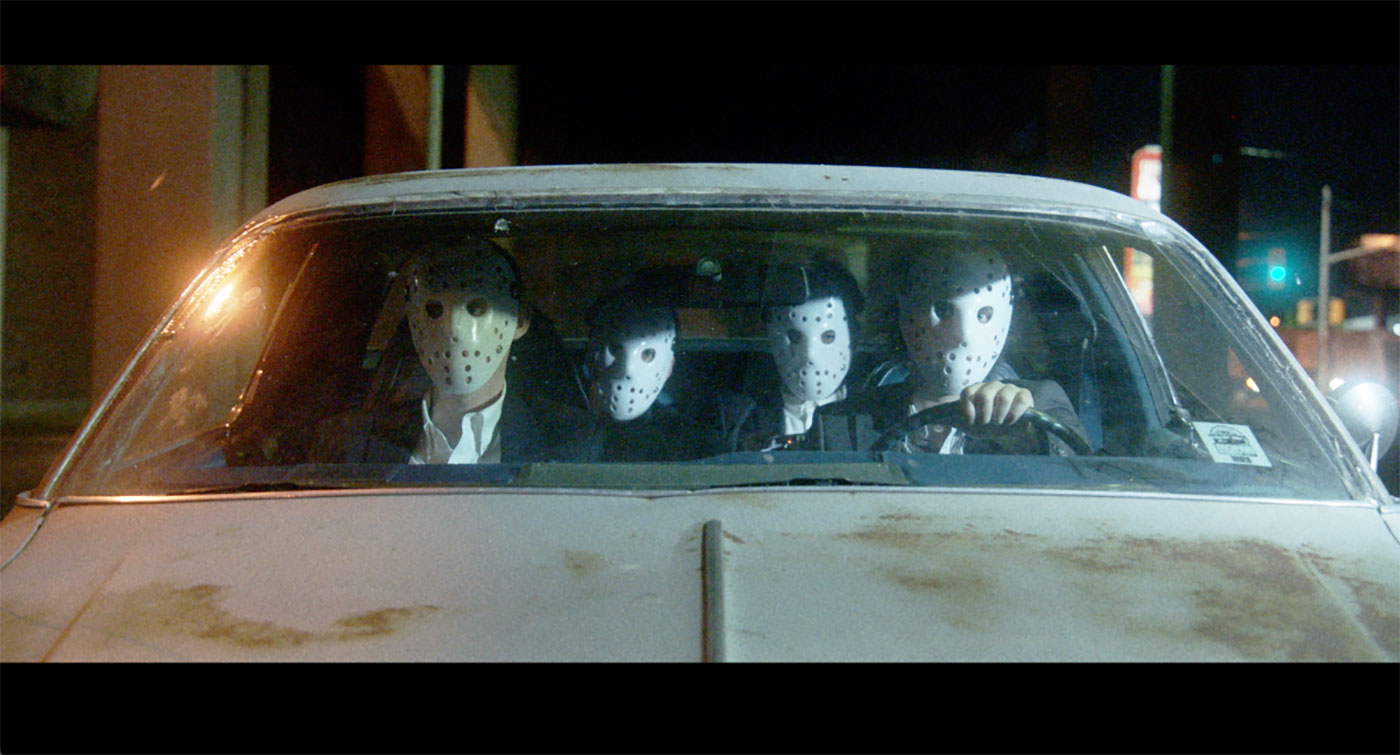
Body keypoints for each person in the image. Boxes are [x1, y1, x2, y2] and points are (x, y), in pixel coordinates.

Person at [312, 238, 585, 464]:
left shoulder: (574, 442)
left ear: (520, 320)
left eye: (476, 308)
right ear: (413, 320)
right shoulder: (344, 441)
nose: (454, 327)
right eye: (434, 310)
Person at [851, 243, 1087, 455]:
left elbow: (1084, 472)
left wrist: (1026, 437)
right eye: (944, 312)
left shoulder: (1042, 401)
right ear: (907, 315)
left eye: (983, 315)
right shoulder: (851, 417)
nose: (962, 336)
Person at [714, 261, 874, 452]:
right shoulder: (739, 415)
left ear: (852, 336)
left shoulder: (875, 411)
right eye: (796, 337)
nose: (810, 356)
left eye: (828, 337)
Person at [555, 290, 711, 462]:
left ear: (669, 366)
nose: (627, 370)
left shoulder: (692, 443)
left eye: (647, 354)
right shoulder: (561, 432)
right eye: (616, 350)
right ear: (591, 358)